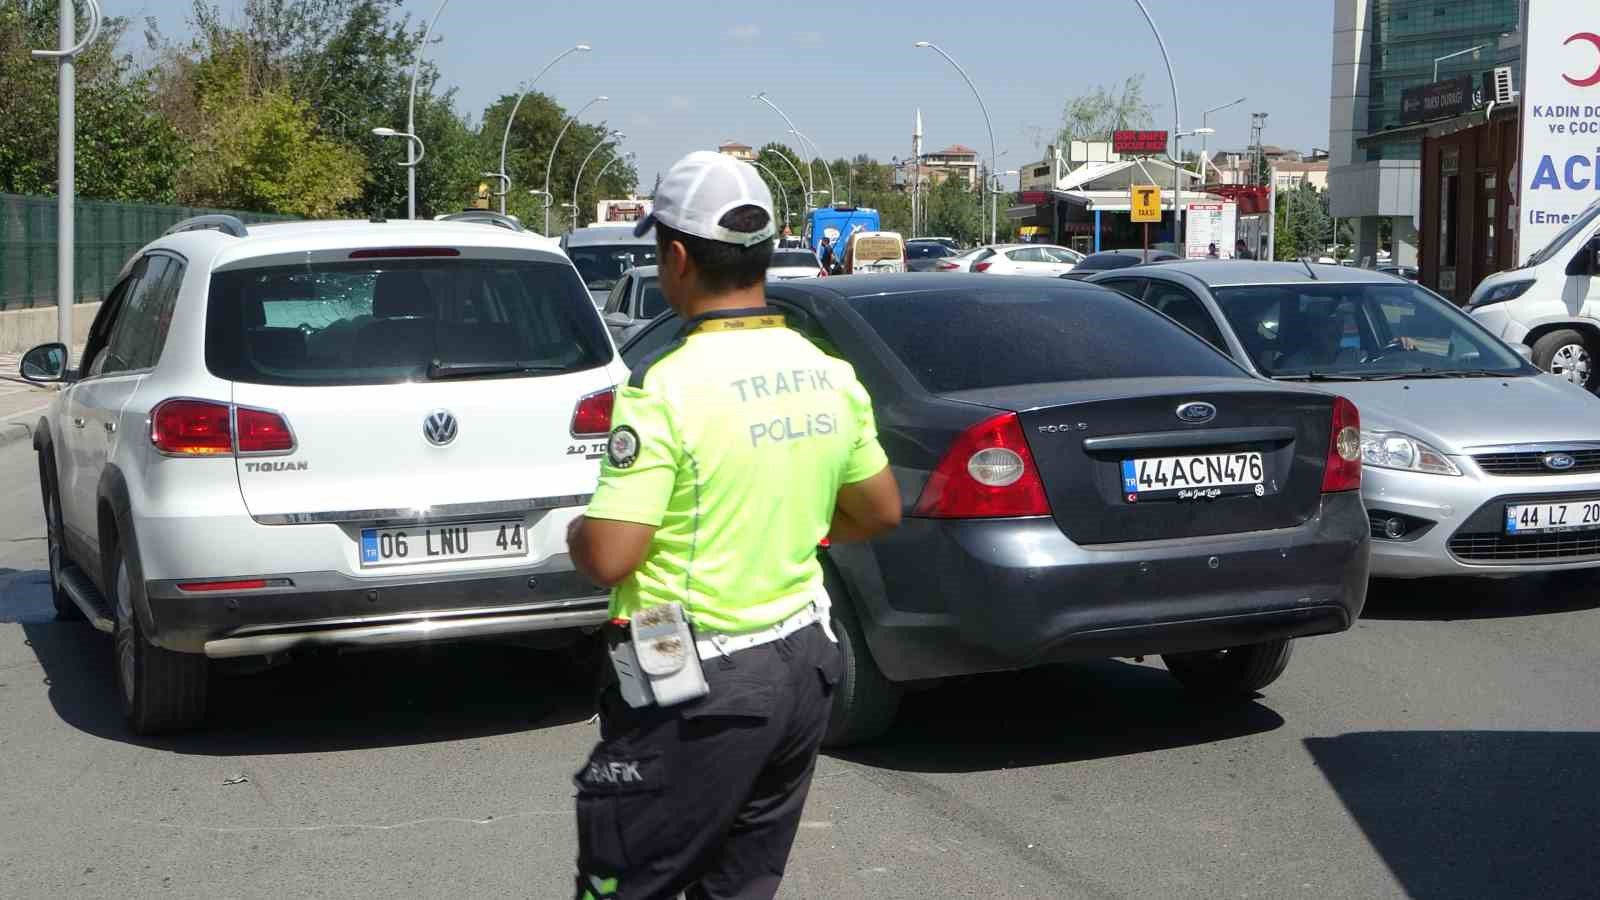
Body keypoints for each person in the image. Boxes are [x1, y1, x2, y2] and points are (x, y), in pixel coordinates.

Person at [565, 150, 901, 900]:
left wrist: (577, 534)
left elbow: (613, 556)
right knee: (740, 885)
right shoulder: (826, 371)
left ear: (676, 257)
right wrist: (787, 526)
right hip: (804, 663)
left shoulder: (665, 388)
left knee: (623, 883)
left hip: (692, 679)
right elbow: (879, 510)